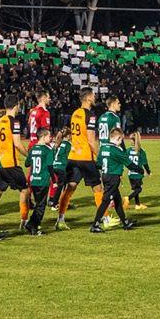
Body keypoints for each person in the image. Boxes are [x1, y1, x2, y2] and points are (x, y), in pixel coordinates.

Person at [58, 88, 99, 229]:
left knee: (70, 187)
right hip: (86, 157)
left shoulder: (75, 113)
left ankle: (61, 219)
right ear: (88, 98)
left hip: (73, 155)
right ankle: (105, 218)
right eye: (93, 95)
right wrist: (100, 156)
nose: (95, 97)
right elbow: (91, 140)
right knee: (98, 188)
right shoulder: (90, 115)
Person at [0, 96, 29, 231]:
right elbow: (17, 144)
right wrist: (28, 156)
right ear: (16, 106)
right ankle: (24, 221)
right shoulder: (14, 122)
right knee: (25, 190)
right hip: (11, 163)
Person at [91, 126, 138, 233]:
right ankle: (95, 224)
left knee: (117, 200)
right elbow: (129, 164)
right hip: (113, 177)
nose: (121, 142)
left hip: (106, 176)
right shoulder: (116, 150)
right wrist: (140, 170)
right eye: (121, 140)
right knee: (106, 201)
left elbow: (98, 164)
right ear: (117, 139)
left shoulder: (103, 147)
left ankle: (125, 222)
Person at [23, 127, 54, 235]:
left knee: (38, 204)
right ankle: (33, 226)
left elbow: (27, 163)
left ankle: (31, 224)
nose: (50, 138)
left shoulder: (33, 149)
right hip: (43, 180)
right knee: (41, 206)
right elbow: (50, 166)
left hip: (33, 181)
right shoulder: (48, 150)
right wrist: (54, 180)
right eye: (49, 136)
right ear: (43, 137)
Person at [125, 128, 149, 211]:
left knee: (136, 189)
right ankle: (127, 198)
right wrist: (148, 172)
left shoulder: (127, 151)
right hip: (137, 174)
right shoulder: (140, 151)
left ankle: (137, 204)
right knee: (139, 189)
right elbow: (145, 163)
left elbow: (125, 161)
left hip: (130, 174)